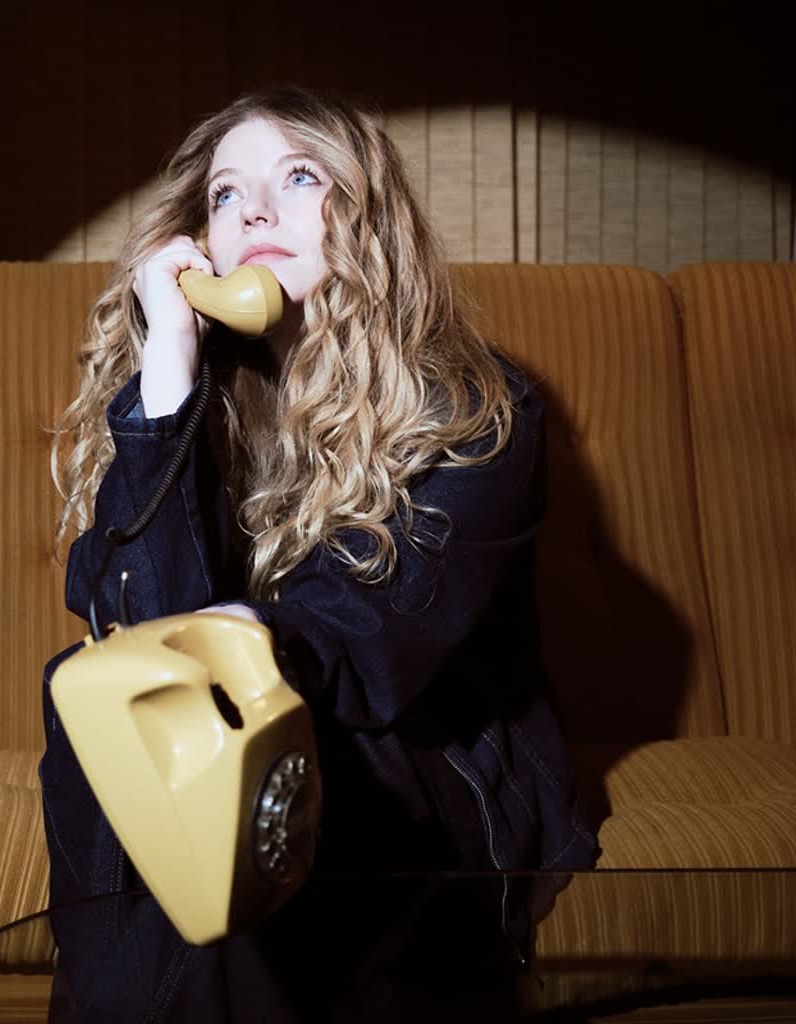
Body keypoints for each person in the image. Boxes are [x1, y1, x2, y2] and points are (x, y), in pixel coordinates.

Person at [39, 83, 599, 1022]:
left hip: (416, 755)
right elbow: (139, 627)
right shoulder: (206, 398)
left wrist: (228, 643)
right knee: (97, 695)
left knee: (265, 740)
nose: (252, 210)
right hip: (245, 759)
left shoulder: (480, 412)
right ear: (201, 242)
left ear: (367, 218)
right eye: (224, 194)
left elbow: (367, 646)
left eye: (297, 177)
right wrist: (169, 376)